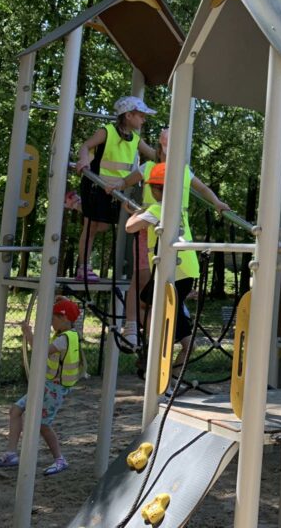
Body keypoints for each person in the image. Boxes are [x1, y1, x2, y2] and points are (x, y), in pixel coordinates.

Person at [112, 128, 230, 349]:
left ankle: (160, 334)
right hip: (150, 228)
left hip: (165, 227)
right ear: (160, 150)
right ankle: (134, 328)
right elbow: (125, 182)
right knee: (143, 282)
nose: (169, 154)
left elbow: (203, 189)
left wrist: (217, 203)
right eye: (167, 149)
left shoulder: (183, 171)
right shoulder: (149, 168)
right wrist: (117, 188)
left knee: (156, 289)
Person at [0, 297, 82, 475]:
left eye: (53, 319)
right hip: (46, 385)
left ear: (63, 318)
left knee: (42, 424)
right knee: (16, 410)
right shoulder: (66, 335)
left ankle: (60, 459)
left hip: (54, 389)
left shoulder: (65, 338)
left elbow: (40, 351)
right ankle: (11, 453)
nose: (51, 322)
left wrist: (27, 333)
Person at [125, 163, 200, 380]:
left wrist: (138, 212)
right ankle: (170, 379)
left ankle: (155, 346)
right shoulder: (177, 208)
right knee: (184, 335)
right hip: (186, 270)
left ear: (156, 190)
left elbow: (131, 227)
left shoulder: (158, 209)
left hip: (172, 271)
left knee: (145, 305)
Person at [73, 96, 157, 280]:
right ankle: (83, 267)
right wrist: (84, 158)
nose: (143, 120)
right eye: (141, 116)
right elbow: (86, 146)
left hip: (114, 191)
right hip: (96, 184)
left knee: (103, 225)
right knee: (91, 226)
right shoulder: (106, 132)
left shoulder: (135, 138)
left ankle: (77, 205)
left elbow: (154, 154)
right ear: (128, 115)